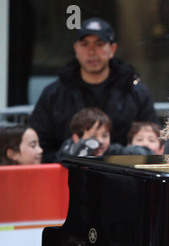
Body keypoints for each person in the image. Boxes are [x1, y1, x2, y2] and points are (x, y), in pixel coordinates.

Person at [29, 17, 158, 163]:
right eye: (84, 44)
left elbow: (151, 141)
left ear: (112, 49)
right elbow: (41, 145)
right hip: (67, 177)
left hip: (124, 176)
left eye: (99, 44)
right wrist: (67, 159)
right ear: (76, 49)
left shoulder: (135, 92)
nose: (91, 52)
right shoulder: (54, 93)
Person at [55, 107, 154, 162]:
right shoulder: (68, 149)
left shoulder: (112, 150)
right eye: (93, 136)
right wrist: (78, 153)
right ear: (76, 138)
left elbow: (143, 153)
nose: (101, 141)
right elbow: (62, 158)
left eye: (105, 135)